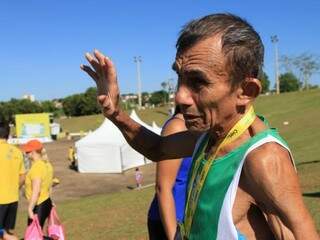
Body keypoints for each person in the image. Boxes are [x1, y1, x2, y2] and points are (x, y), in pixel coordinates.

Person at [81, 13, 319, 239]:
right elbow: (158, 149)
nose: (179, 97)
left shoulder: (263, 159)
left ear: (246, 91)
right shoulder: (210, 136)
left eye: (198, 82)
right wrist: (115, 113)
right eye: (180, 78)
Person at [148, 106, 192, 240]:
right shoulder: (177, 126)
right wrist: (175, 236)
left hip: (191, 218)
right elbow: (163, 187)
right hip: (171, 221)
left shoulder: (199, 127)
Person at [21, 139, 54, 233]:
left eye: (27, 152)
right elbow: (48, 185)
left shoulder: (36, 168)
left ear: (32, 152)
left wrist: (30, 209)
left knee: (33, 234)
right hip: (46, 202)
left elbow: (36, 190)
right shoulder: (47, 165)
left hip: (39, 204)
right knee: (37, 234)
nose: (26, 154)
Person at [0, 122, 25, 240]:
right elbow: (22, 176)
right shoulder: (17, 152)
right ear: (8, 135)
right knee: (5, 232)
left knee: (3, 234)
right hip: (13, 199)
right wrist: (14, 188)